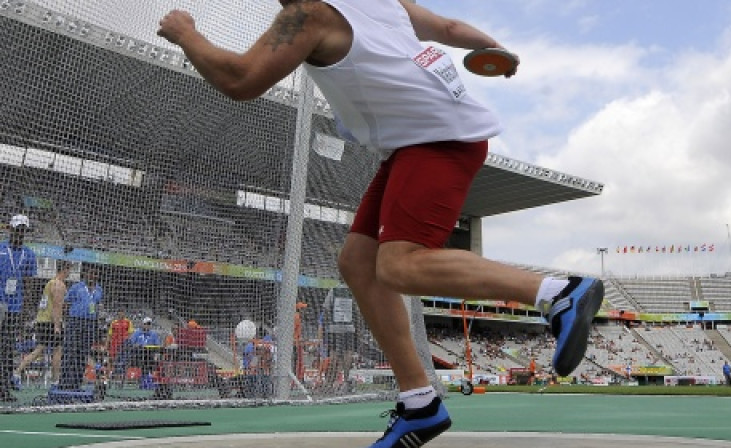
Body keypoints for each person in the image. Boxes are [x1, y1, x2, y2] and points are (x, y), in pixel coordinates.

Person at [158, 2, 604, 446]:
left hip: (435, 140)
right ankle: (419, 403)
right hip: (419, 140)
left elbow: (241, 79)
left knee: (399, 266)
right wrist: (490, 46)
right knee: (358, 262)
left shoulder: (309, 14)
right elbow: (446, 26)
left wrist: (186, 34)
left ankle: (558, 294)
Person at [13, 260, 71, 386]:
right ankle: (56, 381)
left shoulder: (50, 282)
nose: (69, 272)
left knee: (39, 350)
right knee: (57, 350)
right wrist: (57, 325)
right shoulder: (59, 285)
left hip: (41, 320)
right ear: (64, 269)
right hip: (51, 321)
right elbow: (57, 306)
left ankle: (17, 372)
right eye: (69, 269)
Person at [0, 214, 38, 402]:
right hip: (0, 304)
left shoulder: (29, 254)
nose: (20, 233)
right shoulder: (0, 249)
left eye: (24, 230)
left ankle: (4, 388)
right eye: (18, 229)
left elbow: (29, 284)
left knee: (7, 348)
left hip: (15, 308)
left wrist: (25, 310)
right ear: (11, 229)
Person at [59, 264, 103, 391]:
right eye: (91, 273)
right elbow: (66, 303)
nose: (93, 276)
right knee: (70, 351)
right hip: (75, 322)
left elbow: (97, 306)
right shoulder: (76, 287)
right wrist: (66, 320)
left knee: (82, 354)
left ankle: (76, 383)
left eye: (95, 273)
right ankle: (64, 383)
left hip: (90, 323)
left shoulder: (99, 290)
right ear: (86, 274)